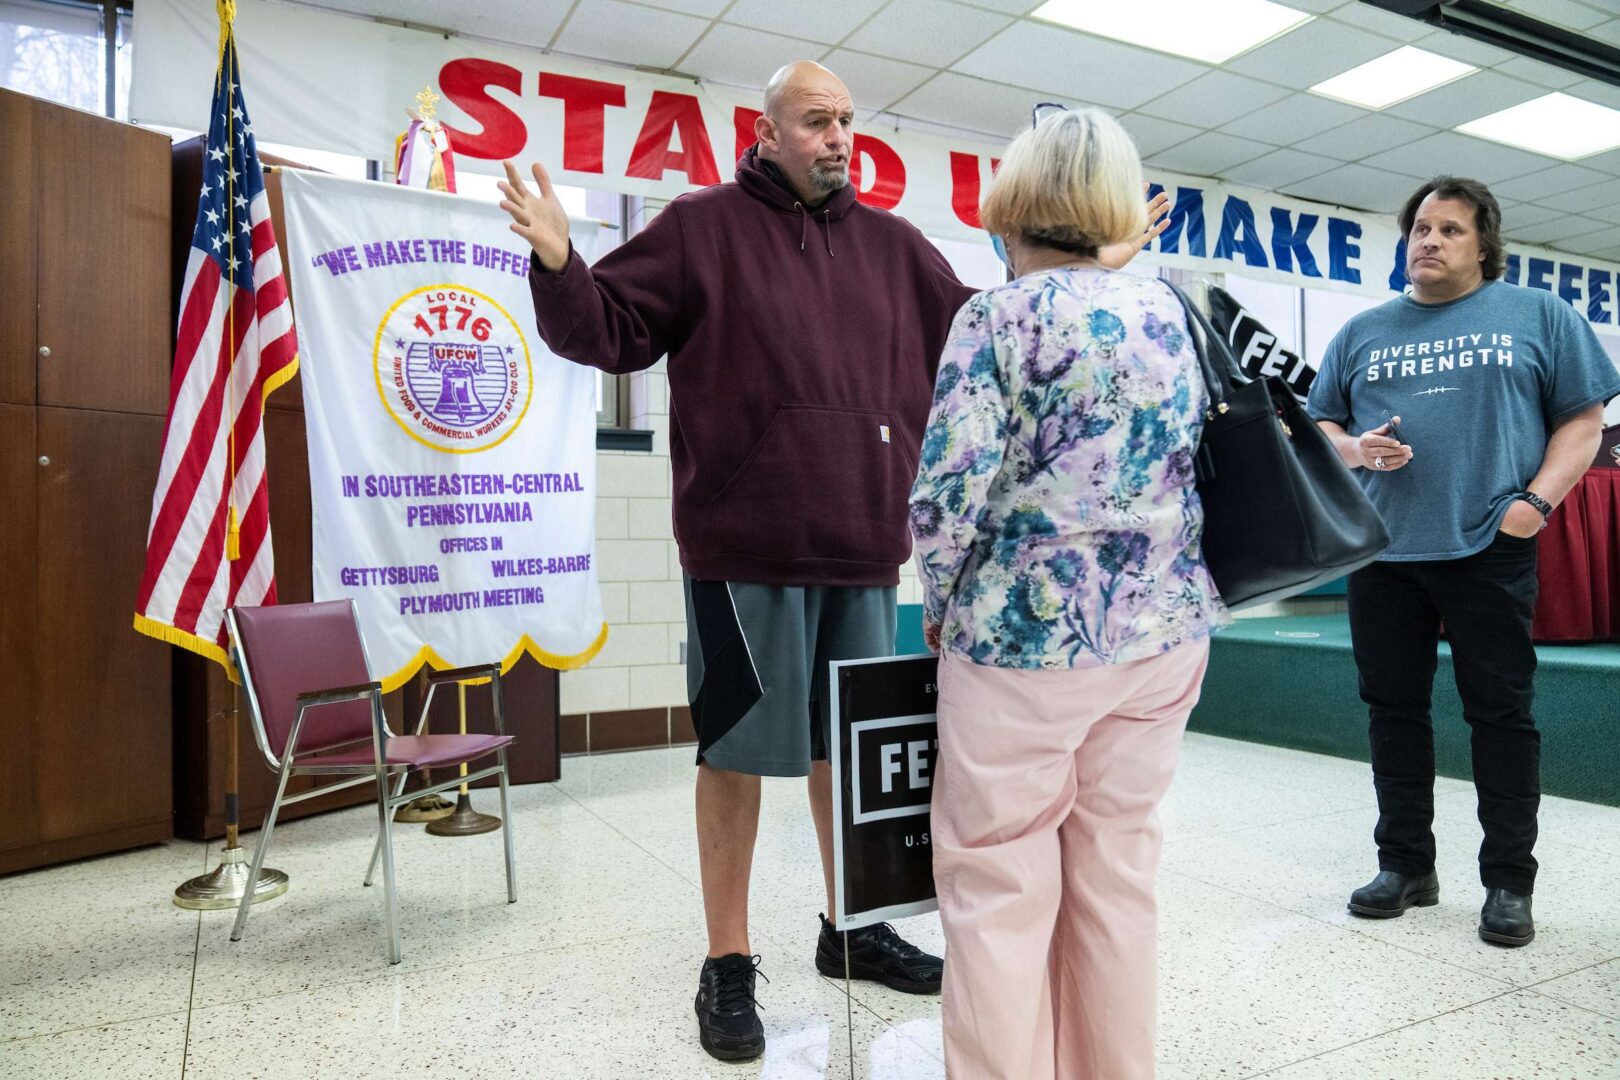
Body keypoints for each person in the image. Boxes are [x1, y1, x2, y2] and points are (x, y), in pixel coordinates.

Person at [500, 61, 1164, 1063]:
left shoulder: (897, 251)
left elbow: (997, 327)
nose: (838, 136)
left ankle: (850, 927)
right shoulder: (700, 228)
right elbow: (613, 334)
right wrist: (559, 264)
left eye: (847, 120)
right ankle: (727, 960)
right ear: (765, 131)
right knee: (734, 752)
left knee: (845, 757)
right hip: (742, 549)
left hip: (864, 549)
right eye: (817, 121)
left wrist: (1097, 262)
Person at [909, 108, 1229, 1080]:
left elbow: (946, 493)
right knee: (1119, 883)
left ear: (1014, 200)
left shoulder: (996, 317)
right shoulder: (1175, 309)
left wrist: (938, 601)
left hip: (1021, 644)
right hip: (1164, 633)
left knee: (999, 886)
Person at [1307, 175, 1619, 947]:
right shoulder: (1364, 330)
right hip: (1383, 552)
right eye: (1419, 228)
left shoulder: (1538, 314)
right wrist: (1354, 448)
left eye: (1449, 229)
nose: (1430, 241)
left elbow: (1583, 423)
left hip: (1489, 544)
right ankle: (1406, 864)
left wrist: (1537, 505)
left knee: (1501, 716)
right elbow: (1318, 426)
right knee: (1392, 712)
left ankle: (1509, 881)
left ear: (1484, 246)